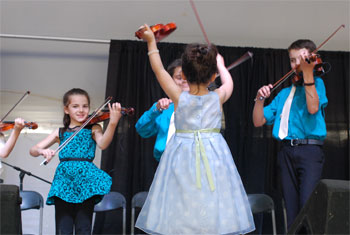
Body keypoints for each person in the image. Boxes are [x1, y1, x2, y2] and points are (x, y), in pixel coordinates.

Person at [135, 24, 255, 234]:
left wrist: (151, 42)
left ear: (185, 76)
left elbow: (159, 69)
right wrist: (221, 65)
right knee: (212, 200)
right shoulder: (218, 96)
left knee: (182, 203)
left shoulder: (179, 97)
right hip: (214, 155)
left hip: (182, 156)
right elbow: (229, 82)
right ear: (212, 77)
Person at [252, 39, 327, 228]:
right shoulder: (285, 93)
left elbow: (312, 108)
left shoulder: (317, 84)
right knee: (291, 209)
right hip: (287, 152)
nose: (296, 65)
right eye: (292, 60)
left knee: (308, 206)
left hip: (310, 152)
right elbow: (258, 120)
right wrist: (260, 99)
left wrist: (308, 73)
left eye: (300, 60)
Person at [30, 88, 122, 234]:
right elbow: (33, 150)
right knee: (63, 229)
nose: (81, 110)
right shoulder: (60, 132)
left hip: (86, 182)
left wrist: (112, 123)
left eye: (85, 106)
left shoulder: (94, 127)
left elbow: (103, 144)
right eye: (75, 106)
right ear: (66, 109)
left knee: (83, 228)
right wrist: (43, 151)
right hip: (64, 182)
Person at [135, 58, 189, 161]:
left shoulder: (202, 103)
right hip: (166, 161)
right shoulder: (165, 107)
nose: (184, 80)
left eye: (188, 76)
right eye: (179, 77)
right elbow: (142, 130)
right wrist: (156, 109)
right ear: (170, 80)